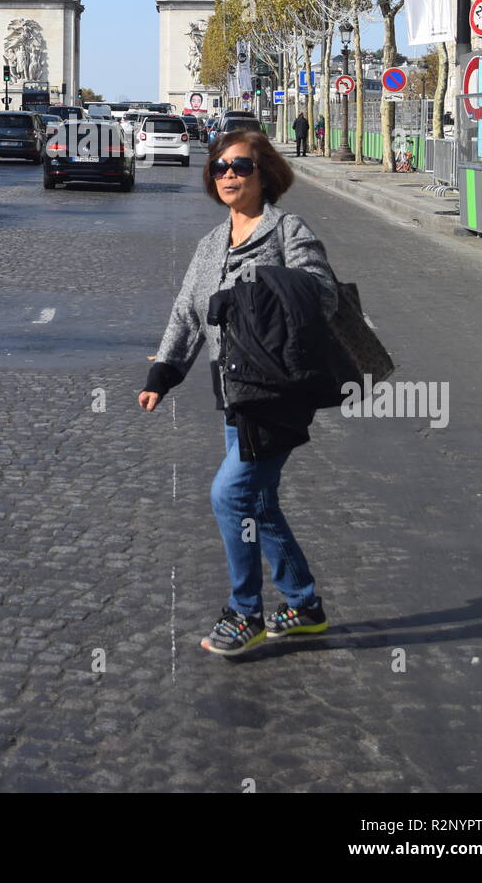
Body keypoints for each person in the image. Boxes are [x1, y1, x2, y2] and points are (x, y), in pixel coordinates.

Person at [139, 130, 337, 658]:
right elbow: (187, 311)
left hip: (277, 391)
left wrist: (252, 292)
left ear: (264, 173)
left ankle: (244, 610)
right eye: (220, 167)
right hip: (233, 393)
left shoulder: (287, 230)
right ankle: (304, 604)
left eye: (240, 166)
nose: (228, 174)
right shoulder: (209, 245)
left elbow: (322, 293)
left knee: (230, 495)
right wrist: (163, 373)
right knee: (258, 501)